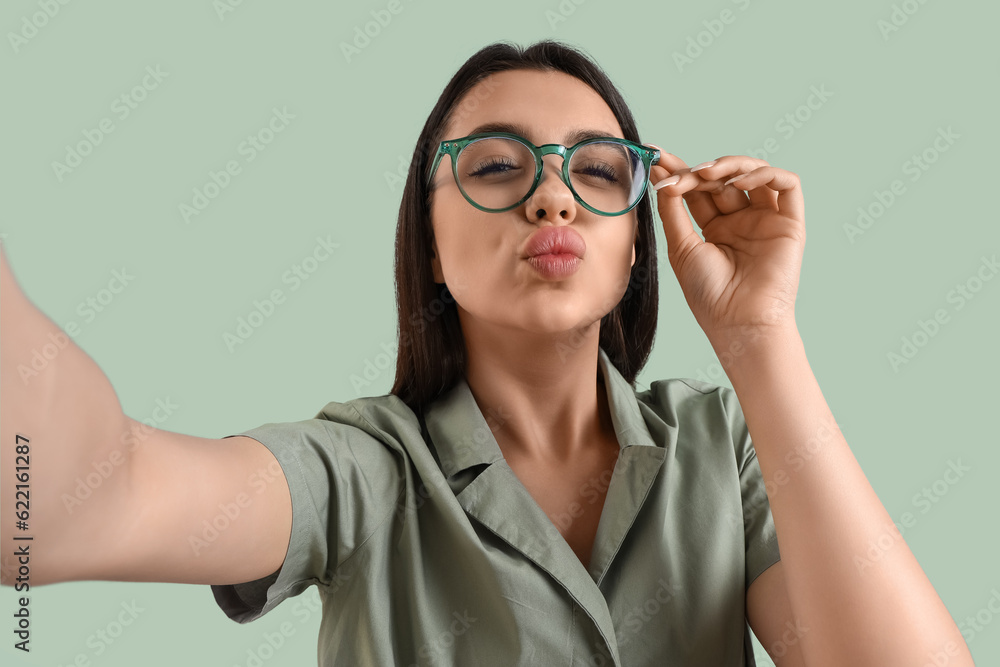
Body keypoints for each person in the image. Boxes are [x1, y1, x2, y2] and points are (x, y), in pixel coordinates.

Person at [0, 39, 973, 667]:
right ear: (426, 236)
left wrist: (759, 340)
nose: (552, 198)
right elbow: (58, 510)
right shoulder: (363, 473)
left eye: (596, 170)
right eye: (498, 166)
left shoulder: (723, 447)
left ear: (638, 237)